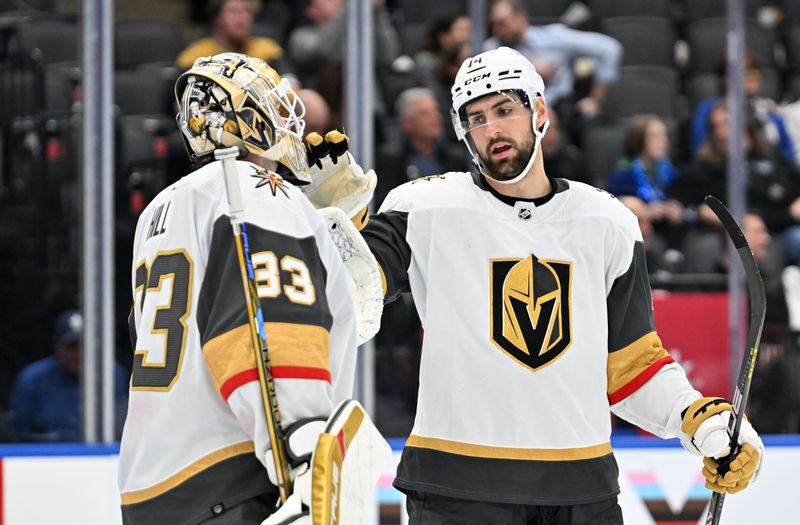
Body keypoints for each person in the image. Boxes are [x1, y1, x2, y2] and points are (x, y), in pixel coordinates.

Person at [301, 47, 764, 523]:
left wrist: (698, 417)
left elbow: (632, 368)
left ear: (539, 112)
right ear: (463, 133)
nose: (493, 130)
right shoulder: (424, 208)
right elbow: (354, 297)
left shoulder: (607, 222)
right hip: (458, 490)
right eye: (476, 118)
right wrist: (330, 228)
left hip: (582, 492)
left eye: (505, 110)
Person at [118, 53, 361, 524]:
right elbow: (265, 324)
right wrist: (304, 451)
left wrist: (328, 233)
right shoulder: (258, 191)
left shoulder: (159, 209)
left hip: (152, 483)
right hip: (235, 479)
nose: (287, 122)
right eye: (272, 106)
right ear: (247, 118)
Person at [483, 0, 622, 123]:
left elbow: (610, 49)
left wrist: (595, 100)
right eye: (493, 25)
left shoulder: (555, 37)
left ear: (521, 17)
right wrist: (529, 67)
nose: (497, 30)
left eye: (502, 23)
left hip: (560, 113)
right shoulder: (491, 48)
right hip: (514, 116)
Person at [7, 309, 128, 442]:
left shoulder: (113, 374)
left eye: (84, 345)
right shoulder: (32, 380)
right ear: (57, 345)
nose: (79, 353)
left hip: (104, 459)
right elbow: (17, 436)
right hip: (48, 460)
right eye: (72, 347)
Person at [690, 50, 795, 164]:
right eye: (744, 70)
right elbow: (701, 151)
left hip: (767, 174)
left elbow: (787, 153)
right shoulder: (709, 108)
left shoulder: (768, 109)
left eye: (754, 70)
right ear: (724, 78)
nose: (752, 75)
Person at [375, 87, 469, 206]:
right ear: (406, 123)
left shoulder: (455, 157)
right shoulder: (390, 159)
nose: (435, 118)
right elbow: (387, 205)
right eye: (425, 113)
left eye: (436, 111)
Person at [606, 114, 687, 249]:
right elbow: (613, 205)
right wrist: (645, 211)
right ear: (639, 140)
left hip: (665, 230)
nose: (663, 141)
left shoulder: (670, 171)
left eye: (664, 135)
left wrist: (674, 207)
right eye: (654, 136)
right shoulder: (624, 173)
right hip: (636, 233)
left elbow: (682, 199)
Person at [176, 0, 285, 71]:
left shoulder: (267, 49)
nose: (242, 18)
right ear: (217, 19)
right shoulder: (198, 55)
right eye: (233, 11)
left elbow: (290, 83)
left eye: (246, 11)